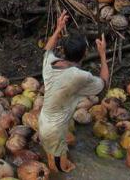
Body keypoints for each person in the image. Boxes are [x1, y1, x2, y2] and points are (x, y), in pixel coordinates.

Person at [38, 10, 109, 173]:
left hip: (45, 121)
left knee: (54, 154)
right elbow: (103, 86)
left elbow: (47, 49)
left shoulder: (50, 63)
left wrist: (58, 29)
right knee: (61, 170)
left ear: (63, 51)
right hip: (54, 130)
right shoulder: (79, 76)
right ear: (84, 54)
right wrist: (103, 56)